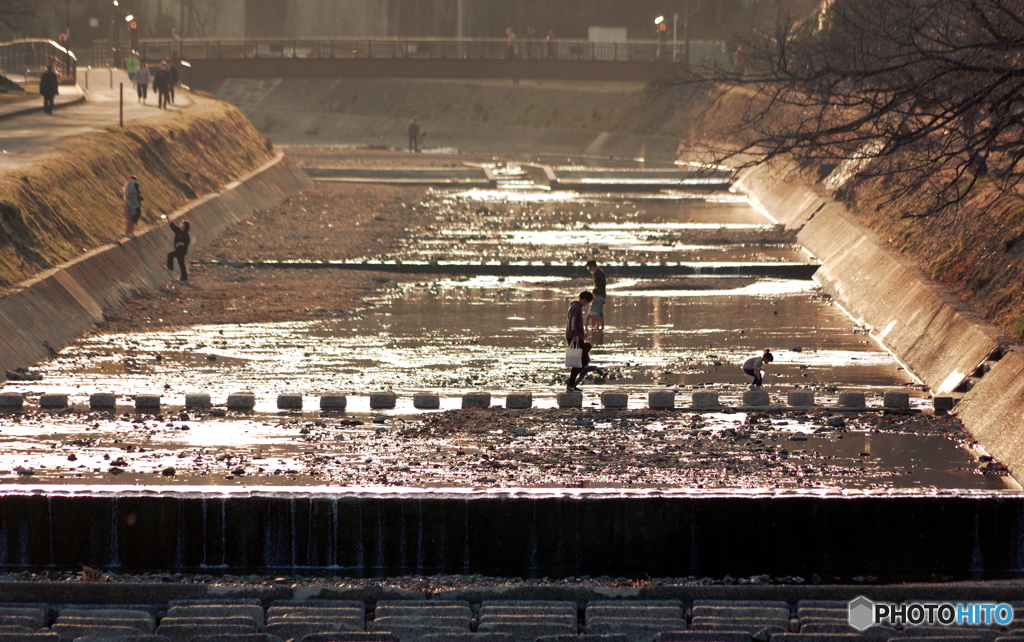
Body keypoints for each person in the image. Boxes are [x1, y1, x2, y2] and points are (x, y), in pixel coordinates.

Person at [565, 290, 593, 392]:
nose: (588, 304)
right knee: (582, 360)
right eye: (588, 302)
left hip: (577, 336)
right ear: (584, 299)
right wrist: (574, 335)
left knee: (584, 353)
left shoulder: (577, 307)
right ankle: (571, 383)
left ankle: (571, 382)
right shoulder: (575, 307)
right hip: (574, 337)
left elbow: (576, 324)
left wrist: (582, 333)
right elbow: (571, 322)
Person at [585, 259, 607, 330]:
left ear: (593, 266)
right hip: (597, 293)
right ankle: (594, 326)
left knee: (598, 312)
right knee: (595, 311)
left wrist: (597, 295)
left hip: (600, 294)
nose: (589, 270)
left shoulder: (600, 273)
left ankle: (601, 327)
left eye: (590, 268)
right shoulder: (595, 273)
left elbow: (602, 285)